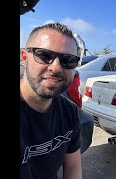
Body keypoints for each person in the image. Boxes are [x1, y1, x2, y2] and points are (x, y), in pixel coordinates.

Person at [20, 22, 82, 179]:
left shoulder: (70, 112)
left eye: (68, 60)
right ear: (24, 58)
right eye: (44, 55)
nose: (55, 67)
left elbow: (73, 166)